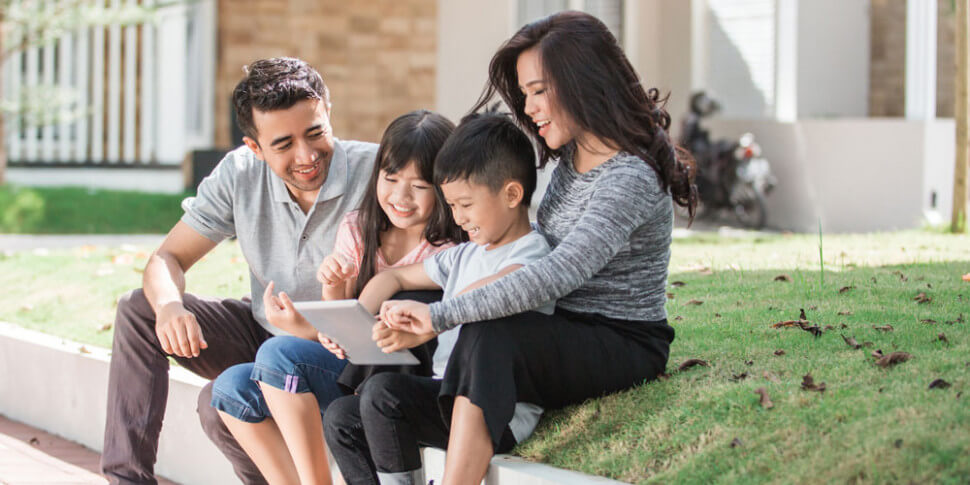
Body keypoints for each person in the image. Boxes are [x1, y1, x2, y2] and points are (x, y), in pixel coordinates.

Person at [358, 10, 699, 484]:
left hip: (620, 339)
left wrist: (443, 316)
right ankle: (374, 409)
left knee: (485, 331)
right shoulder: (571, 162)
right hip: (557, 324)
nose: (530, 106)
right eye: (524, 93)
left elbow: (558, 271)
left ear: (582, 81)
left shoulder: (629, 177)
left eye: (539, 90)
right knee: (415, 302)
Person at [100, 57, 380, 485]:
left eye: (315, 133)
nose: (306, 156)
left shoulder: (379, 172)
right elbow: (165, 259)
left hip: (340, 351)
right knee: (141, 309)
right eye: (283, 144)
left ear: (329, 112)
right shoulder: (240, 173)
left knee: (218, 403)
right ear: (254, 147)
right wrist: (171, 307)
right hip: (266, 331)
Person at [208, 109, 464, 485]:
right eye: (390, 179)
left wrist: (323, 327)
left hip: (401, 376)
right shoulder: (359, 228)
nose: (401, 196)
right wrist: (332, 288)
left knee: (277, 354)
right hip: (353, 364)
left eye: (420, 186)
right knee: (231, 387)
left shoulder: (449, 248)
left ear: (444, 185)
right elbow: (342, 323)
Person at [324, 112, 555, 485]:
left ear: (512, 194)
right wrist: (357, 319)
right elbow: (393, 275)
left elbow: (500, 289)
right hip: (445, 396)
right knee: (341, 417)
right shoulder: (465, 255)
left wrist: (433, 316)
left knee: (383, 394)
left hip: (496, 412)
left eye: (466, 204)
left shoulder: (532, 254)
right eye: (451, 206)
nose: (458, 218)